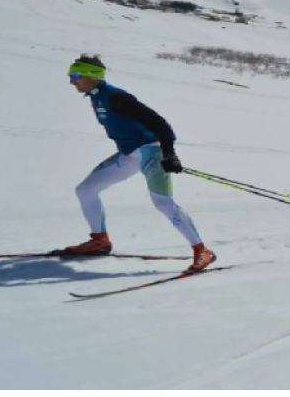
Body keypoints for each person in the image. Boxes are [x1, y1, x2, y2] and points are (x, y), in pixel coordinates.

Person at [65, 54, 216, 273]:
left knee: (163, 203)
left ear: (92, 74)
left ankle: (202, 251)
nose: (72, 81)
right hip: (127, 155)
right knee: (85, 190)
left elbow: (160, 124)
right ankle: (100, 240)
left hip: (150, 153)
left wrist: (169, 154)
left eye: (75, 75)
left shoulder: (116, 97)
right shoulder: (95, 95)